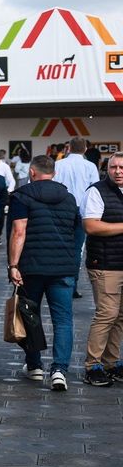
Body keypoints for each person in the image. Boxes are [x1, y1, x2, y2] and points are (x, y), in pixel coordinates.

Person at [7, 155, 81, 391]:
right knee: (63, 320)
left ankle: (35, 365)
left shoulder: (22, 195)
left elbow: (19, 231)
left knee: (30, 314)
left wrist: (13, 265)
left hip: (32, 266)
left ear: (31, 172)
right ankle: (59, 370)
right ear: (54, 173)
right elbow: (77, 233)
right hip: (63, 267)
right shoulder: (69, 198)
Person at [82, 152, 123, 386]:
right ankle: (93, 365)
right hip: (105, 264)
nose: (118, 171)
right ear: (106, 169)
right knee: (107, 314)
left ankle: (112, 362)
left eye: (122, 167)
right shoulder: (96, 191)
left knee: (121, 317)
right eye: (113, 167)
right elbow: (91, 225)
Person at [55, 137, 98, 298]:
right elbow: (94, 189)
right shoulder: (90, 166)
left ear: (69, 148)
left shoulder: (58, 165)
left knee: (60, 245)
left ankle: (57, 281)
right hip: (82, 210)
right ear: (85, 149)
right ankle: (72, 284)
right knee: (77, 249)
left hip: (61, 209)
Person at [0, 149, 16, 244]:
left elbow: (11, 181)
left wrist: (8, 191)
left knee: (1, 215)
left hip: (1, 193)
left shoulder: (4, 166)